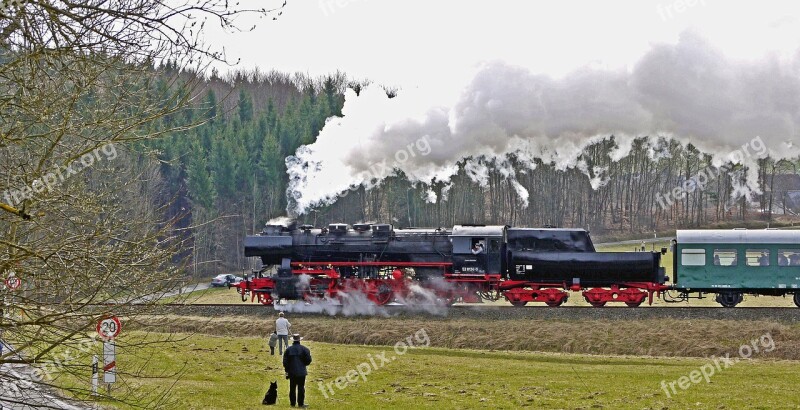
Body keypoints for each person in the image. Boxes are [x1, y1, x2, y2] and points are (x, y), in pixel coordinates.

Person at [283, 333, 312, 408]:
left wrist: (287, 371)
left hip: (292, 372)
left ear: (293, 340)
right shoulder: (305, 349)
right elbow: (308, 360)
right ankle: (300, 404)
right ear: (299, 340)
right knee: (301, 388)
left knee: (292, 388)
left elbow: (285, 362)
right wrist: (303, 365)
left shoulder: (288, 350)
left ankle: (292, 404)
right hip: (301, 372)